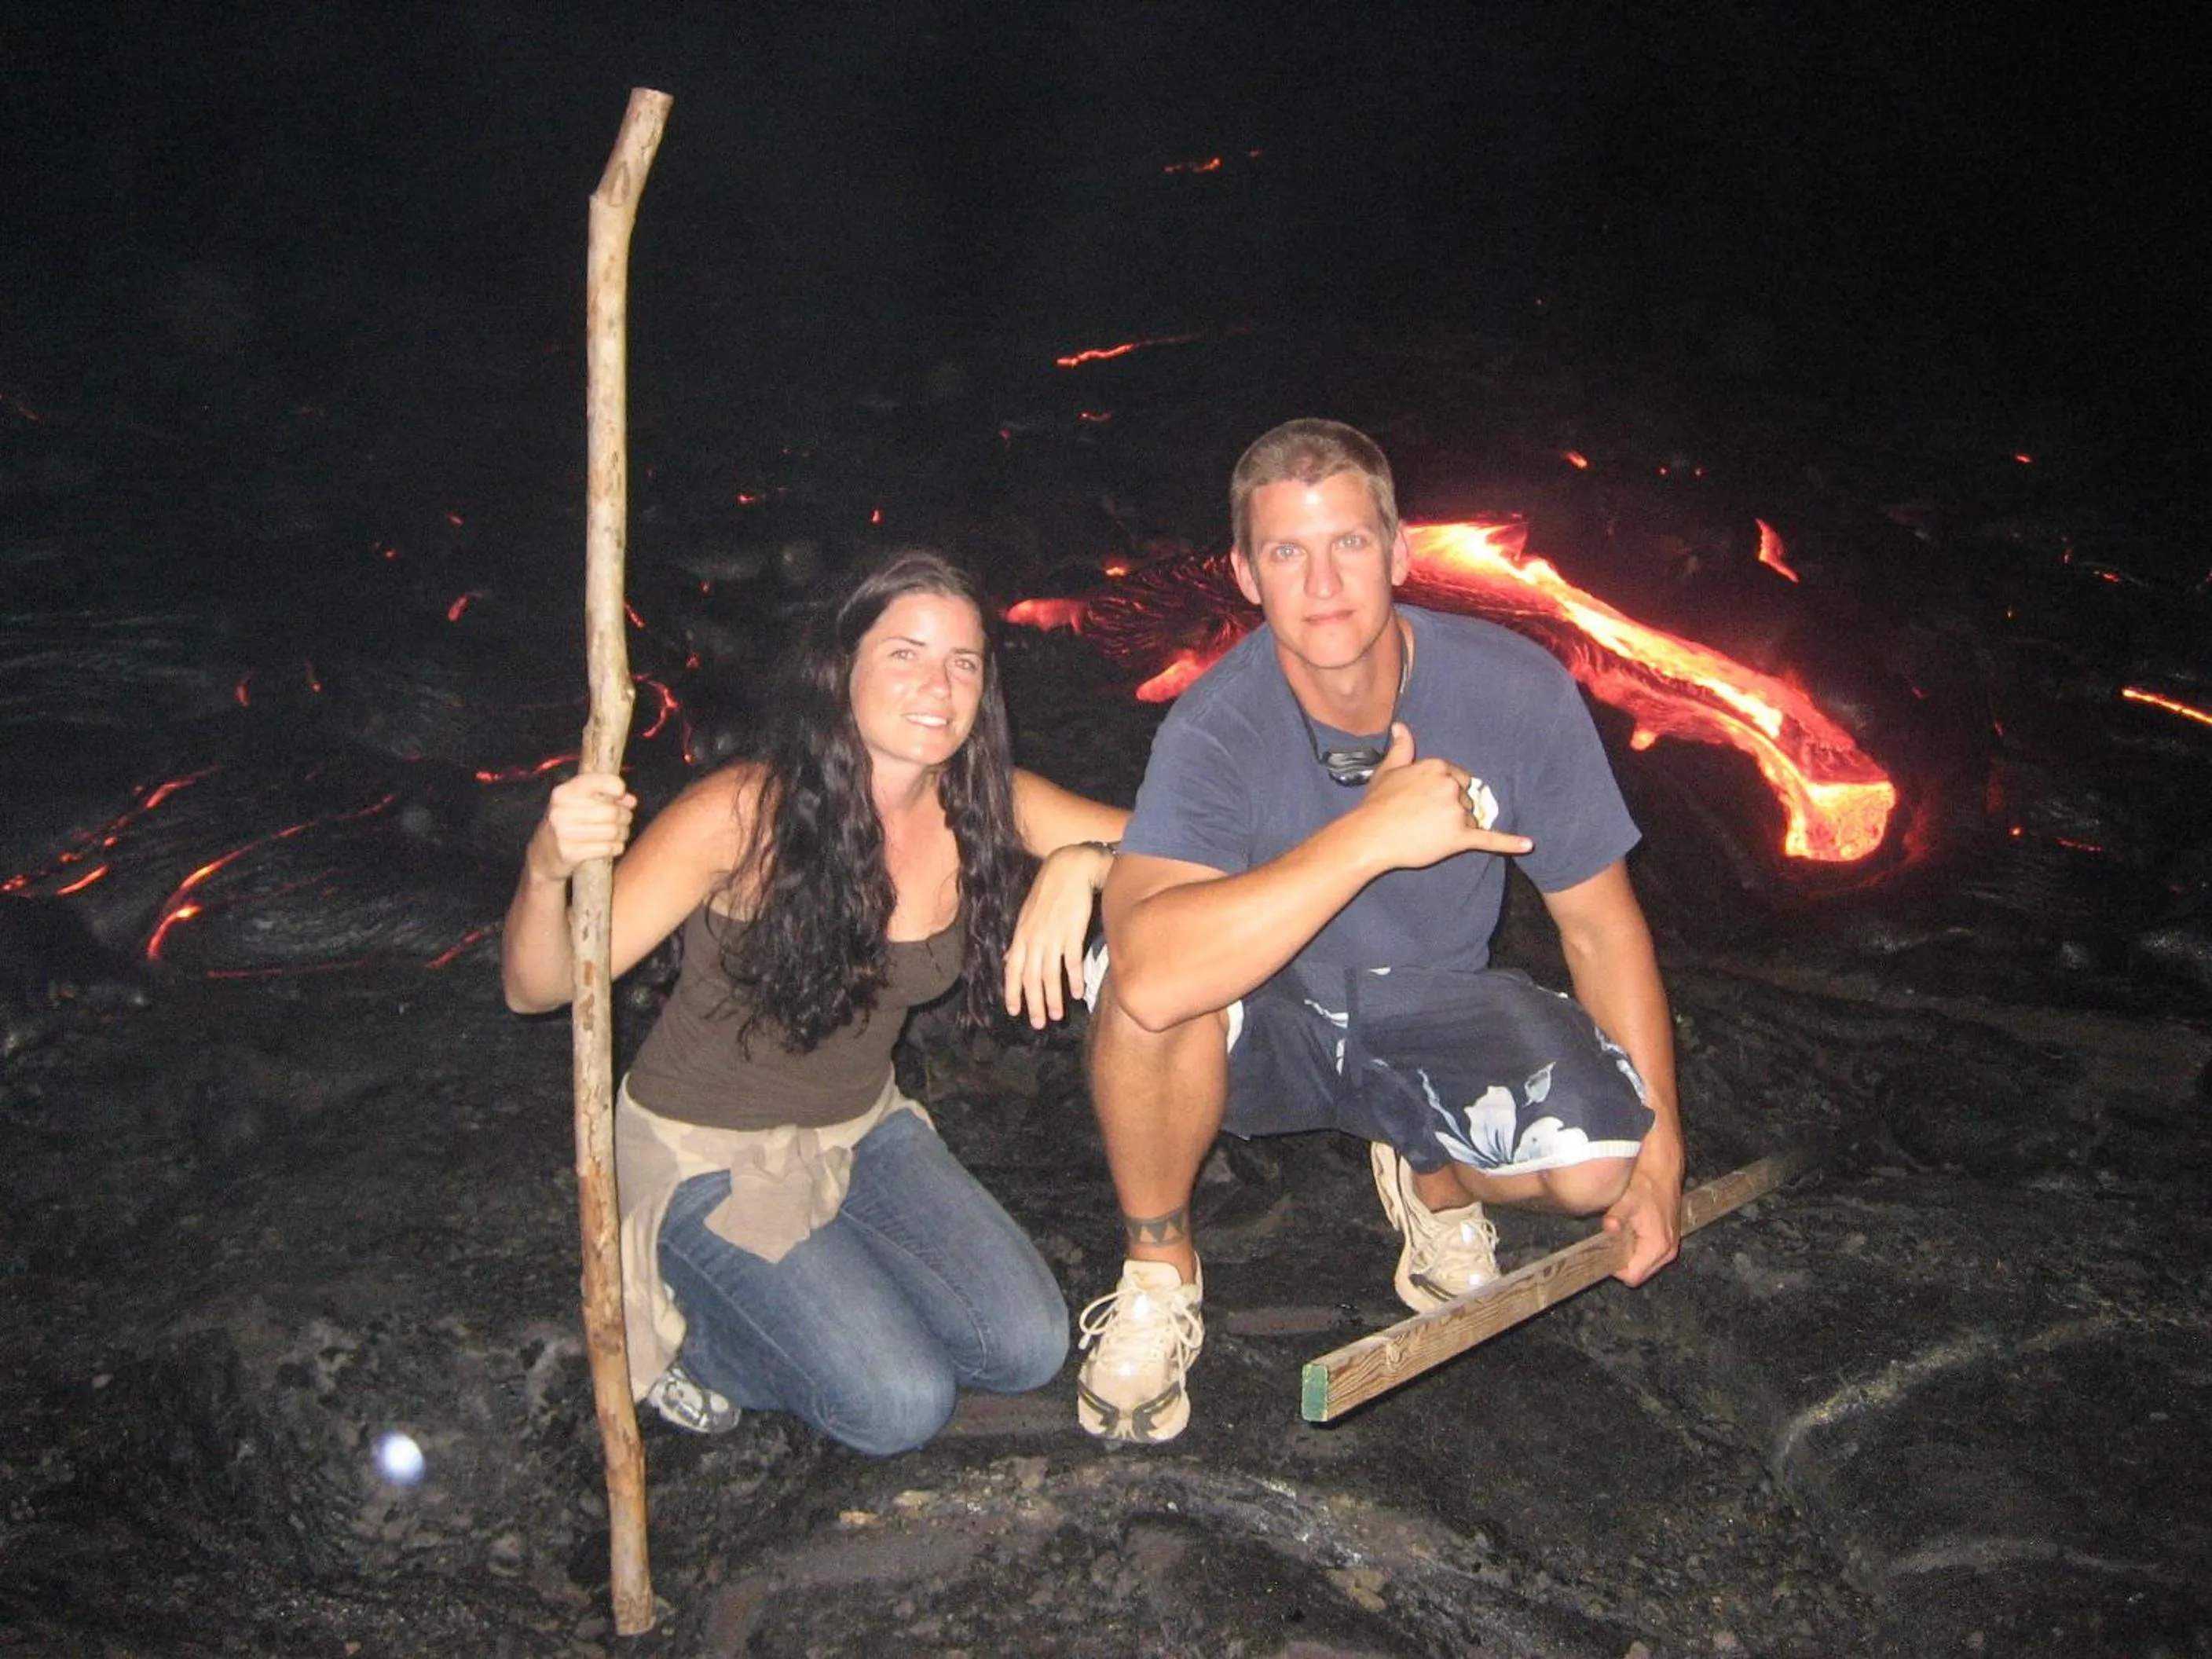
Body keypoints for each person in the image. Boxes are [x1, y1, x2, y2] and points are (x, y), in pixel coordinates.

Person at [1073, 419, 1683, 1444]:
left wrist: (1663, 1162)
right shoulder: (1216, 724)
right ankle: (1157, 1270)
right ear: (1245, 575)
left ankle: (1424, 1162)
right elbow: (1150, 966)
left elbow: (1601, 931)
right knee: (1145, 987)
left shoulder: (1514, 689)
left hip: (1430, 1009)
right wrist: (1370, 838)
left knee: (1599, 1171)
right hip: (1269, 1015)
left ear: (1401, 553)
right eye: (1287, 552)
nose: (1322, 583)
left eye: (1349, 542)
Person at [503, 548, 1126, 1456]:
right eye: (904, 653)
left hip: (864, 1132)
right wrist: (544, 866)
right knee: (897, 1407)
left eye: (964, 661)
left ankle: (819, 1289)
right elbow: (539, 987)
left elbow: (1178, 853)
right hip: (702, 1160)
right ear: (843, 671)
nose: (938, 684)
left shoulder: (987, 805)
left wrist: (1084, 863)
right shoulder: (744, 813)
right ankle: (696, 1337)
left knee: (1026, 1347)